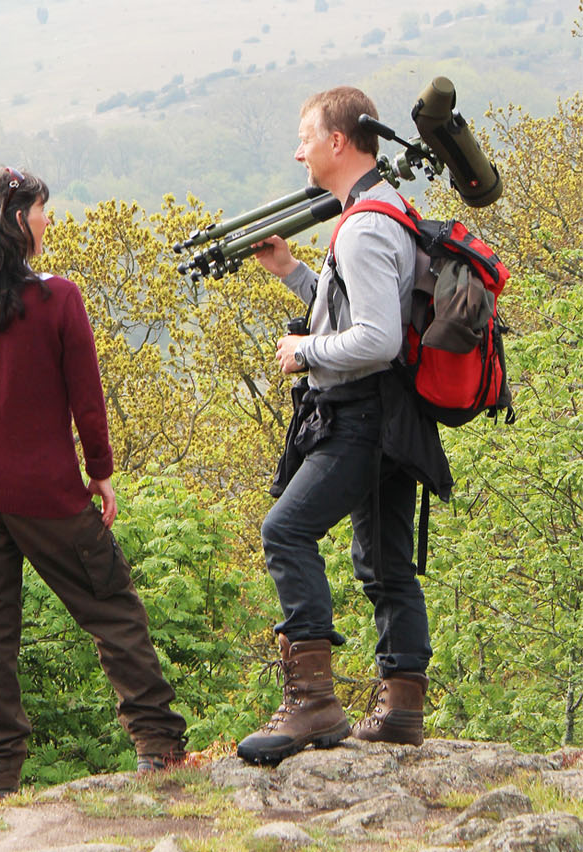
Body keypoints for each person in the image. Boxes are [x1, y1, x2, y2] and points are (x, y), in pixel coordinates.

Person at [0, 166, 188, 802]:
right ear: (14, 219)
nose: (47, 219)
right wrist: (100, 472)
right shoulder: (58, 299)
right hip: (50, 494)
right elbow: (85, 399)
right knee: (112, 610)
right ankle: (157, 746)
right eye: (40, 209)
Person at [236, 86, 452, 767]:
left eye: (306, 136)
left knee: (286, 530)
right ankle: (401, 708)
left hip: (360, 414)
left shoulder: (361, 226)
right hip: (396, 417)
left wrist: (303, 352)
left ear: (338, 142)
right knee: (384, 562)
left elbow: (375, 339)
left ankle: (312, 704)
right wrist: (294, 273)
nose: (298, 150)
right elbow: (355, 310)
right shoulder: (380, 211)